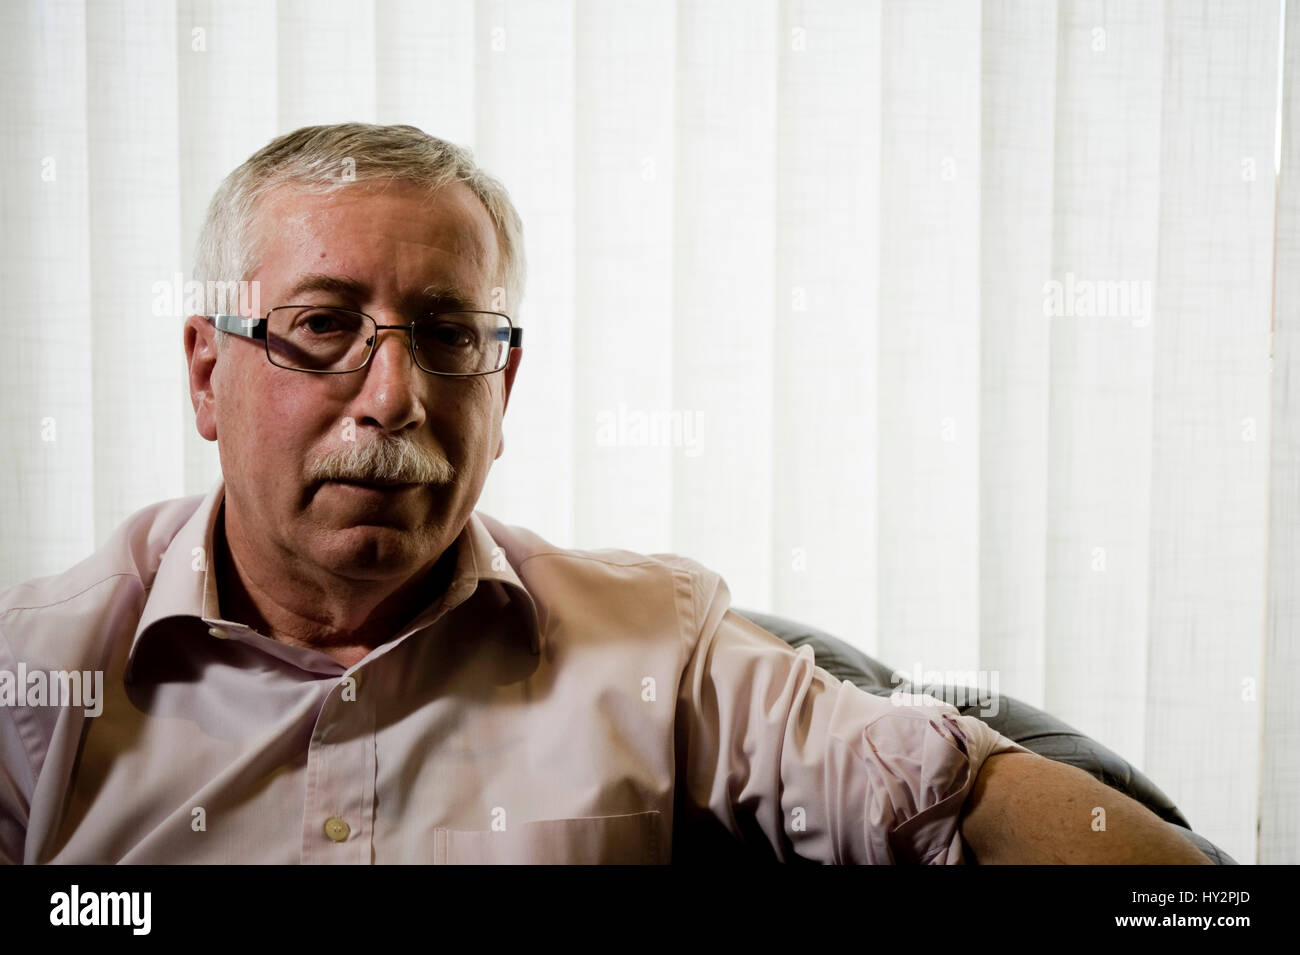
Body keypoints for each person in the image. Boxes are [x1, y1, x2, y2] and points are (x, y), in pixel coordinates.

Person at [0, 123, 1209, 864]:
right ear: (208, 373)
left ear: (503, 383)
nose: (392, 396)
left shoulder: (651, 646)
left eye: (448, 335)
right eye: (321, 327)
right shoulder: (36, 678)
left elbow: (950, 794)